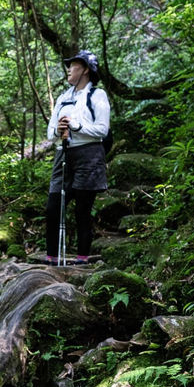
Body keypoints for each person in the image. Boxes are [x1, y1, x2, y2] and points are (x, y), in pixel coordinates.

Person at [44, 50, 110, 265]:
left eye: (73, 66)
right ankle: (52, 258)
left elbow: (102, 129)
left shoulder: (97, 95)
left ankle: (82, 258)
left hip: (89, 155)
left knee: (82, 209)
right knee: (53, 207)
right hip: (63, 153)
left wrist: (76, 126)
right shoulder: (64, 97)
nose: (69, 70)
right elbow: (50, 133)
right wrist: (58, 130)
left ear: (85, 70)